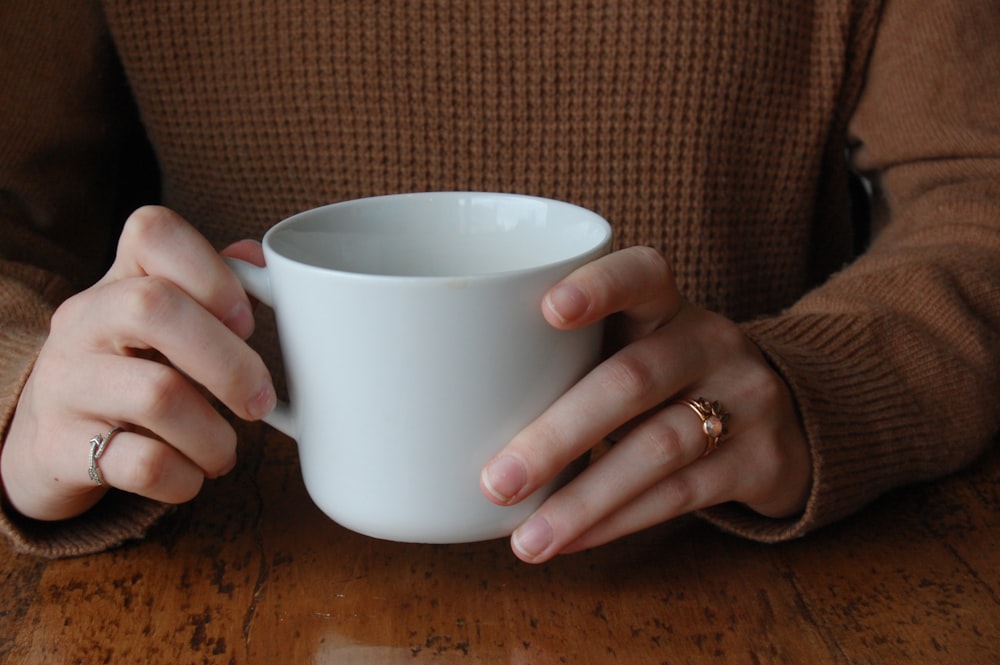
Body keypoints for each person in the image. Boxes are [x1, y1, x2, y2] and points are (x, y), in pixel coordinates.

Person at [1, 0, 997, 561]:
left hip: (724, 555)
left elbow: (977, 194)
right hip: (236, 546)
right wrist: (26, 388)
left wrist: (811, 383)